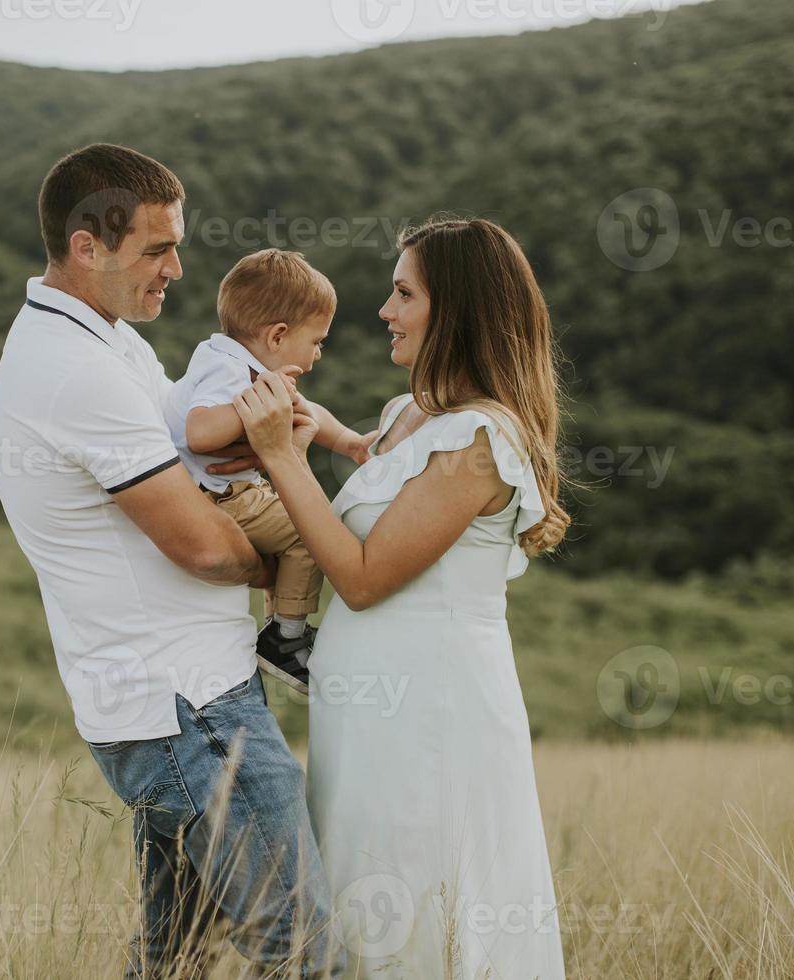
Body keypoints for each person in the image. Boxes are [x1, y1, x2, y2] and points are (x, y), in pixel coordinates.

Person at [0, 143, 346, 978]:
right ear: (88, 247)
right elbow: (206, 547)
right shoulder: (76, 369)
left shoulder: (113, 344)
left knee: (178, 960)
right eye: (156, 249)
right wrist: (289, 551)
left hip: (169, 704)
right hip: (189, 711)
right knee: (298, 954)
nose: (178, 270)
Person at [231, 217, 571, 978]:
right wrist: (324, 433)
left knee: (419, 899)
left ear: (458, 309)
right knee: (357, 898)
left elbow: (361, 574)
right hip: (364, 714)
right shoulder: (406, 416)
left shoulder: (482, 440)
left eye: (403, 293)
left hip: (432, 718)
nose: (384, 310)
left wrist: (282, 456)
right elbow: (380, 477)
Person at [163, 247, 374, 692]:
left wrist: (350, 442)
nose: (317, 356)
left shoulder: (233, 361)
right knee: (308, 533)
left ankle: (281, 621)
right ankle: (285, 635)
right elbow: (200, 432)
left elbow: (305, 410)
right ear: (277, 336)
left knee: (290, 529)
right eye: (316, 342)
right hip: (220, 496)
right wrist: (253, 415)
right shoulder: (231, 372)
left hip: (227, 490)